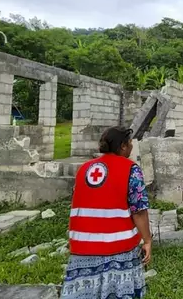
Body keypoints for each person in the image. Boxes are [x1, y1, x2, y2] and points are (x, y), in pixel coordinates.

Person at [61, 126, 152, 299]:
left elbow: (78, 204)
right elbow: (139, 211)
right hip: (118, 247)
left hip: (82, 246)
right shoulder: (130, 170)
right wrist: (147, 240)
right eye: (130, 143)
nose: (132, 147)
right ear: (123, 146)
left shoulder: (84, 169)